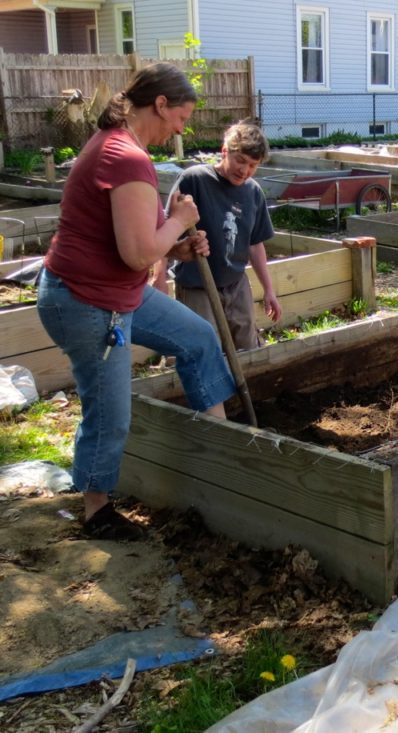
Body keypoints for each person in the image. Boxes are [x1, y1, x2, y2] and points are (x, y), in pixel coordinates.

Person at [36, 62, 237, 540]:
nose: (181, 130)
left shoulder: (121, 149)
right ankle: (96, 508)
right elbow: (138, 251)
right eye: (180, 118)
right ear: (160, 104)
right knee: (109, 411)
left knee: (197, 337)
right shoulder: (125, 156)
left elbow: (135, 241)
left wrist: (178, 245)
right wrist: (180, 218)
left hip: (116, 292)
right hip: (86, 302)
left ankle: (227, 448)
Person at [153, 122, 279, 350]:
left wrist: (269, 289)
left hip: (236, 284)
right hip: (197, 284)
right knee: (204, 348)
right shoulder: (195, 180)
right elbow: (165, 230)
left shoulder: (253, 192)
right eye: (240, 160)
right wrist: (159, 278)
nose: (245, 170)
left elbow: (255, 244)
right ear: (224, 151)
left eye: (253, 165)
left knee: (246, 345)